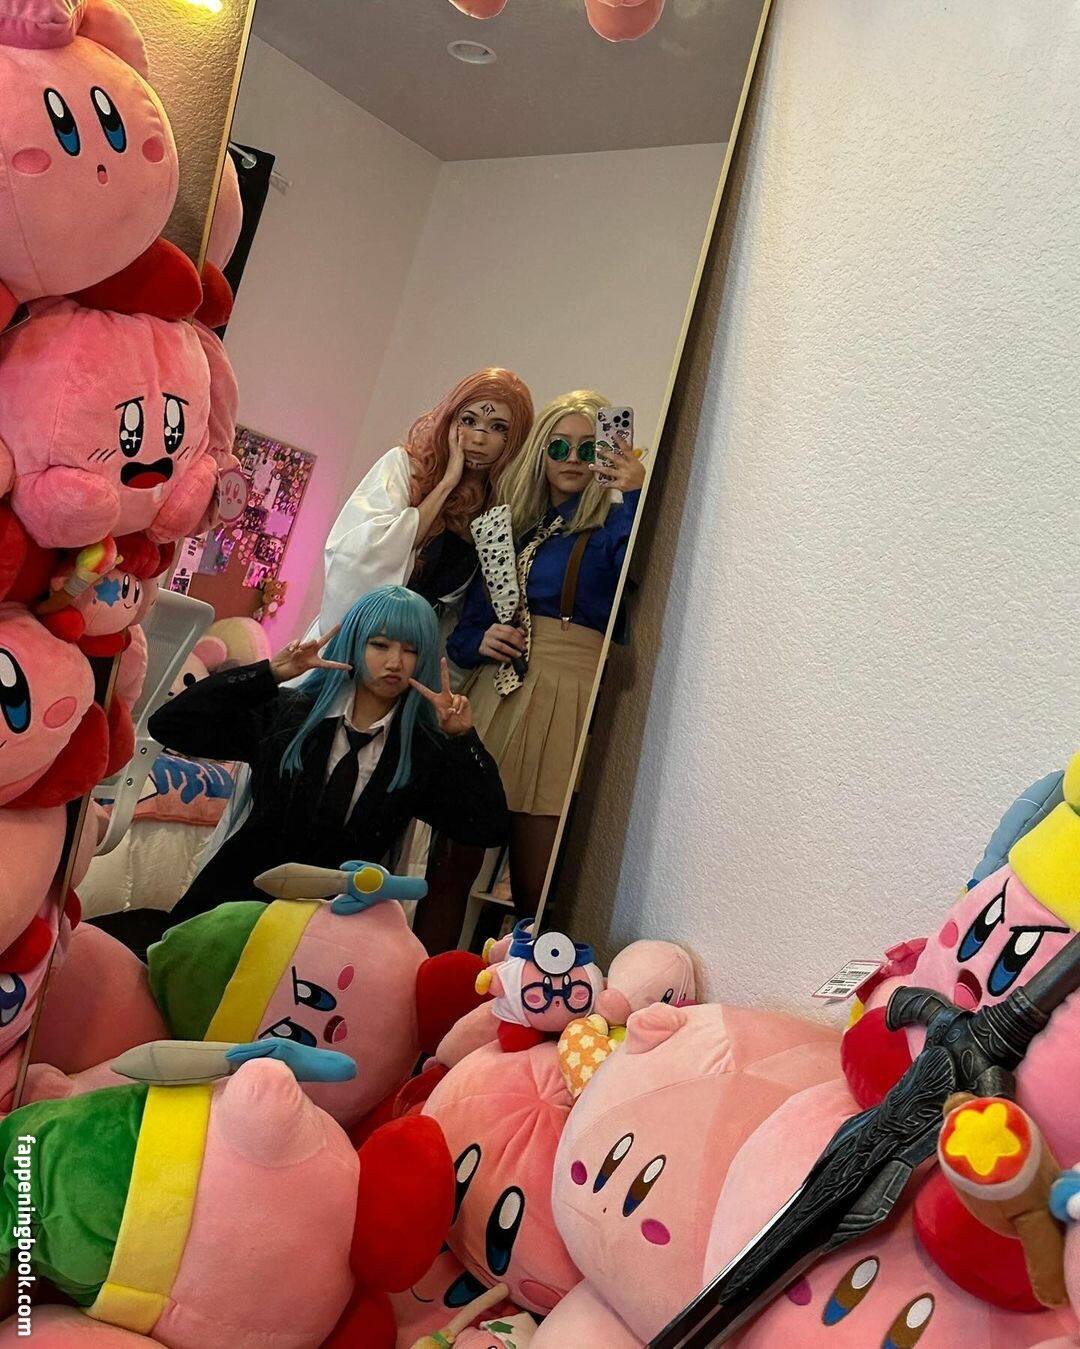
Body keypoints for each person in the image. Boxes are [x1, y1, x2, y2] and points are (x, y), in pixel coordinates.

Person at [95, 586, 509, 956]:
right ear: (354, 644)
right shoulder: (289, 715)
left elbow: (486, 827)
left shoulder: (422, 750)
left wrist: (463, 740)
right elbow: (171, 725)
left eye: (411, 650)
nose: (395, 662)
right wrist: (269, 673)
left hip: (326, 938)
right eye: (380, 644)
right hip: (232, 909)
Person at [441, 390, 646, 935]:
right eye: (559, 446)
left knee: (538, 882)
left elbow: (637, 576)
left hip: (569, 692)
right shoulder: (510, 530)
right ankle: (427, 978)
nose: (572, 458)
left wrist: (633, 493)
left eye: (588, 447)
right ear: (541, 454)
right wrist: (481, 640)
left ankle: (532, 982)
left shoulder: (612, 528)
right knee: (450, 868)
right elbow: (465, 634)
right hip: (494, 694)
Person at [311, 369, 534, 639]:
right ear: (450, 420)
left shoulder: (504, 509)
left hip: (421, 649)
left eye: (498, 427)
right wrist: (446, 484)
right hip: (359, 638)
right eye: (468, 420)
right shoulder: (404, 468)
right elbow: (362, 557)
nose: (478, 438)